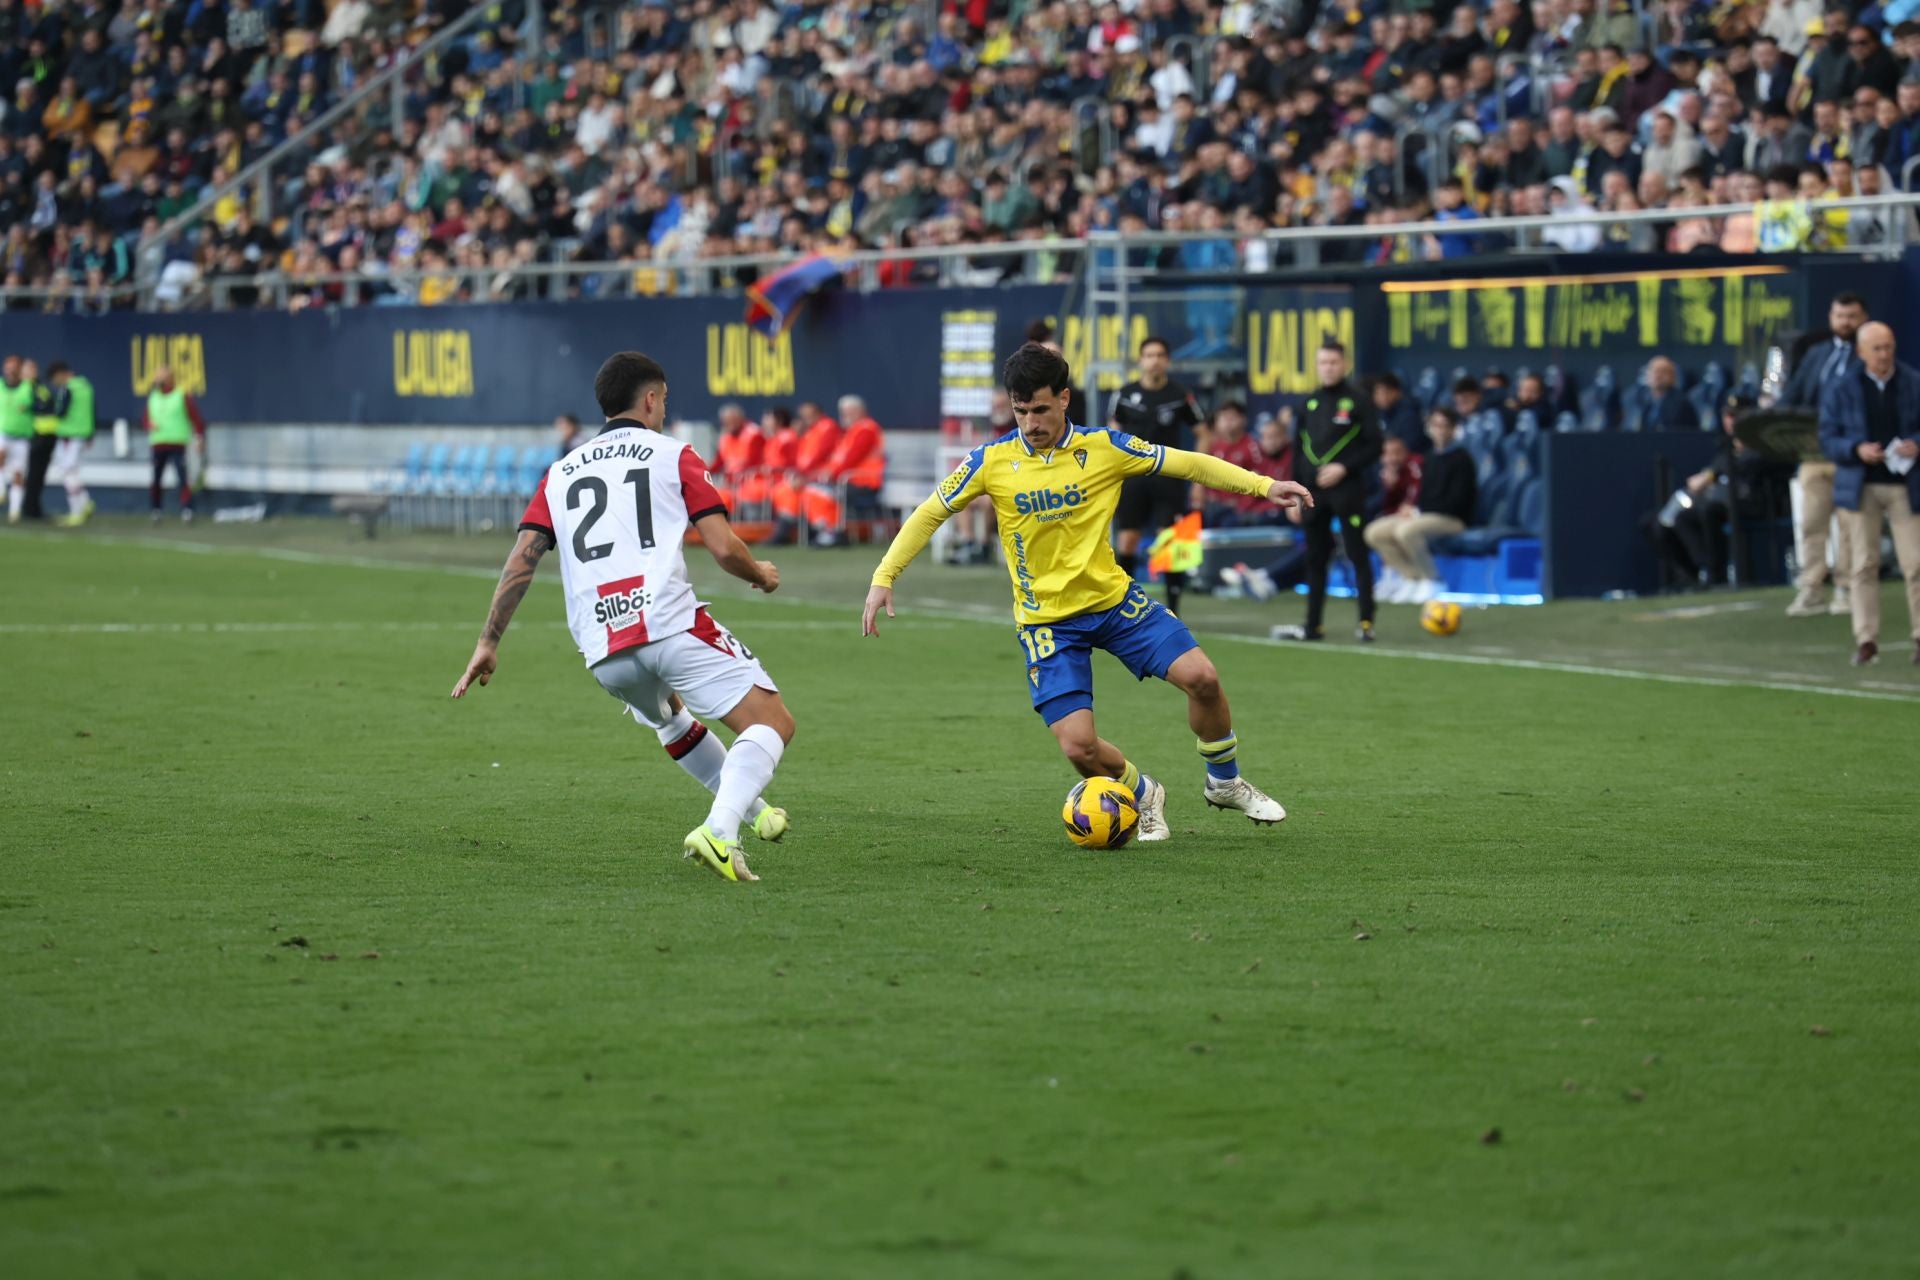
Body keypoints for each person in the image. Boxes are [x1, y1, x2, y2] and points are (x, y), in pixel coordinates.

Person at [862, 342, 1311, 840]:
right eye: (1020, 411)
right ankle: (1143, 794)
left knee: (1202, 677)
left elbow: (1188, 463)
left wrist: (1264, 486)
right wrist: (885, 577)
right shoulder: (991, 461)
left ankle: (1224, 783)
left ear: (1064, 399)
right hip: (1046, 623)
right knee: (1079, 748)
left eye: (1040, 409)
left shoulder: (1105, 448)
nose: (1030, 423)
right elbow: (930, 512)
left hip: (1114, 603)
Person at [451, 351, 798, 883]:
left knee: (671, 716)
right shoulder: (674, 454)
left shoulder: (560, 473)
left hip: (603, 648)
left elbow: (523, 557)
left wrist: (488, 640)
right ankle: (720, 831)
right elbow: (725, 548)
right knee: (772, 723)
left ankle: (755, 813)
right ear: (652, 399)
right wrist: (761, 575)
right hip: (666, 623)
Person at [1818, 322, 1920, 666]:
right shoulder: (1842, 387)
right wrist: (1855, 449)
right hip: (1862, 484)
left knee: (1916, 563)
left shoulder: (1912, 381)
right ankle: (1866, 639)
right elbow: (1827, 437)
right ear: (1861, 352)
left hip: (1906, 484)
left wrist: (1916, 445)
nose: (1884, 354)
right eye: (1876, 348)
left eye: (1888, 346)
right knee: (1863, 564)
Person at [1278, 341, 1384, 643]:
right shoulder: (1309, 403)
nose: (1328, 367)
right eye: (1323, 362)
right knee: (1315, 557)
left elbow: (1375, 445)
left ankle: (1366, 622)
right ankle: (1313, 625)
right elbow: (1298, 451)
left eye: (1334, 362)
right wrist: (1295, 494)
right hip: (1313, 493)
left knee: (1356, 553)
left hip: (1347, 490)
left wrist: (1344, 468)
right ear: (1316, 366)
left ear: (1345, 364)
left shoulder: (1359, 401)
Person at [1647, 393, 1792, 589]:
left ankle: (1718, 575)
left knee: (1711, 510)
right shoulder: (1726, 446)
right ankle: (1700, 571)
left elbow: (1752, 467)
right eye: (1727, 416)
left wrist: (1711, 475)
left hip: (1760, 502)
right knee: (1684, 518)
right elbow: (1719, 467)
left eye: (1736, 416)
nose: (1730, 421)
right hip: (1728, 502)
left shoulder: (1762, 440)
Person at [1783, 292, 1867, 618]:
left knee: (1848, 525)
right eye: (1839, 316)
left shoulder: (1870, 354)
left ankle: (1845, 588)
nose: (1845, 322)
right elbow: (1793, 395)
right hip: (1814, 453)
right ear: (1830, 318)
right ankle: (1812, 588)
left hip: (1850, 454)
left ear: (1863, 318)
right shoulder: (1817, 355)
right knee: (1811, 522)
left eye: (1851, 316)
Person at [1109, 335, 1204, 614]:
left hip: (1168, 476)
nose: (1155, 360)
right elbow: (1111, 435)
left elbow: (1203, 433)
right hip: (1134, 477)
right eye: (1149, 355)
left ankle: (1173, 608)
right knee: (1128, 539)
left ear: (1167, 360)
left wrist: (1196, 476)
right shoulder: (1124, 394)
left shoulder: (1180, 395)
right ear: (1141, 360)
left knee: (1171, 541)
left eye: (1160, 355)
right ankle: (1121, 604)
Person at [1366, 407, 1477, 603]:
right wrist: (1411, 508)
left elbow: (1457, 502)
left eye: (1445, 426)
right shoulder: (1430, 457)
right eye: (1436, 425)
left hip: (1452, 519)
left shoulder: (1462, 459)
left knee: (1406, 531)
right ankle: (1411, 578)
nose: (1440, 430)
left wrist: (1418, 511)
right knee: (1374, 532)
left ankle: (1432, 580)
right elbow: (1421, 494)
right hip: (1424, 515)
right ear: (1429, 428)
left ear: (1453, 429)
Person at [801, 394, 886, 547]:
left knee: (818, 491)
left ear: (861, 412)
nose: (846, 416)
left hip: (864, 483)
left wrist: (828, 475)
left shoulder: (866, 429)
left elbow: (851, 460)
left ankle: (833, 533)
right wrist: (818, 475)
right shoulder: (850, 432)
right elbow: (836, 461)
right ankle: (827, 531)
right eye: (844, 412)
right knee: (812, 489)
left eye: (850, 412)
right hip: (847, 480)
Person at [769, 400, 841, 545]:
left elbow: (820, 455)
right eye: (803, 416)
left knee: (810, 492)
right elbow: (800, 458)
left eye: (809, 415)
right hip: (809, 476)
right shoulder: (809, 431)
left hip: (824, 477)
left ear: (818, 413)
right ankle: (784, 530)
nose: (806, 418)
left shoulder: (827, 427)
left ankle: (828, 533)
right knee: (783, 490)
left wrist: (803, 476)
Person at [142, 365, 207, 522]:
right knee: (156, 479)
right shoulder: (154, 397)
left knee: (183, 478)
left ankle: (187, 510)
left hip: (178, 444)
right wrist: (149, 425)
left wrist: (199, 438)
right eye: (157, 376)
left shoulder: (181, 395)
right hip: (158, 444)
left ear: (170, 378)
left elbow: (196, 418)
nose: (158, 380)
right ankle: (156, 510)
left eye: (161, 377)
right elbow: (145, 419)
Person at [50, 362, 94, 525]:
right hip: (82, 434)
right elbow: (92, 411)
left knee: (67, 472)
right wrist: (91, 434)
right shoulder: (86, 386)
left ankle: (76, 511)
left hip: (69, 435)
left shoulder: (67, 388)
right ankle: (85, 502)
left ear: (60, 374)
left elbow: (61, 411)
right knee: (72, 471)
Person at [23, 358, 63, 521]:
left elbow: (49, 404)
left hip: (49, 435)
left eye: (34, 368)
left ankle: (34, 508)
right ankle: (29, 509)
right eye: (29, 369)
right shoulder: (24, 388)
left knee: (39, 474)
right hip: (34, 435)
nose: (33, 372)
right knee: (32, 474)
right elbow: (33, 406)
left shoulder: (41, 387)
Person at [711, 402, 766, 512]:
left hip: (753, 482)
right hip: (732, 485)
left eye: (733, 420)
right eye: (726, 421)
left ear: (741, 418)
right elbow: (718, 463)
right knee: (713, 499)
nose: (730, 424)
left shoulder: (754, 434)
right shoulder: (725, 437)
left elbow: (755, 462)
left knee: (748, 493)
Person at [3, 355, 36, 524]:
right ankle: (1, 490)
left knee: (18, 474)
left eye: (13, 367)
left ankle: (14, 510)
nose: (10, 370)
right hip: (3, 432)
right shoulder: (1, 386)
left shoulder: (27, 388)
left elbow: (27, 405)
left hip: (21, 437)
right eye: (7, 366)